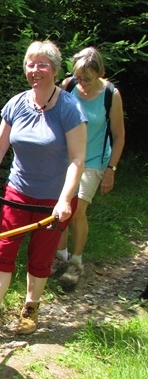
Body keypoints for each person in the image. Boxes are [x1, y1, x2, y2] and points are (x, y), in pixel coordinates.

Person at [0, 41, 87, 337]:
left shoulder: (69, 109)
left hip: (53, 199)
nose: (35, 70)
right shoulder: (17, 103)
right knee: (3, 249)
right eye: (30, 64)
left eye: (42, 64)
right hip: (17, 191)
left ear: (55, 70)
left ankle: (30, 311)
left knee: (40, 257)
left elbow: (78, 158)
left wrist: (65, 199)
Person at [53, 47, 125, 286]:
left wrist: (110, 170)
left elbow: (118, 135)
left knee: (76, 211)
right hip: (66, 158)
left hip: (93, 161)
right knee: (60, 210)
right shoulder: (68, 86)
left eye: (87, 78)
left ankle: (76, 263)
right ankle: (59, 257)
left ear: (100, 73)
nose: (81, 82)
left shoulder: (110, 95)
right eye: (78, 77)